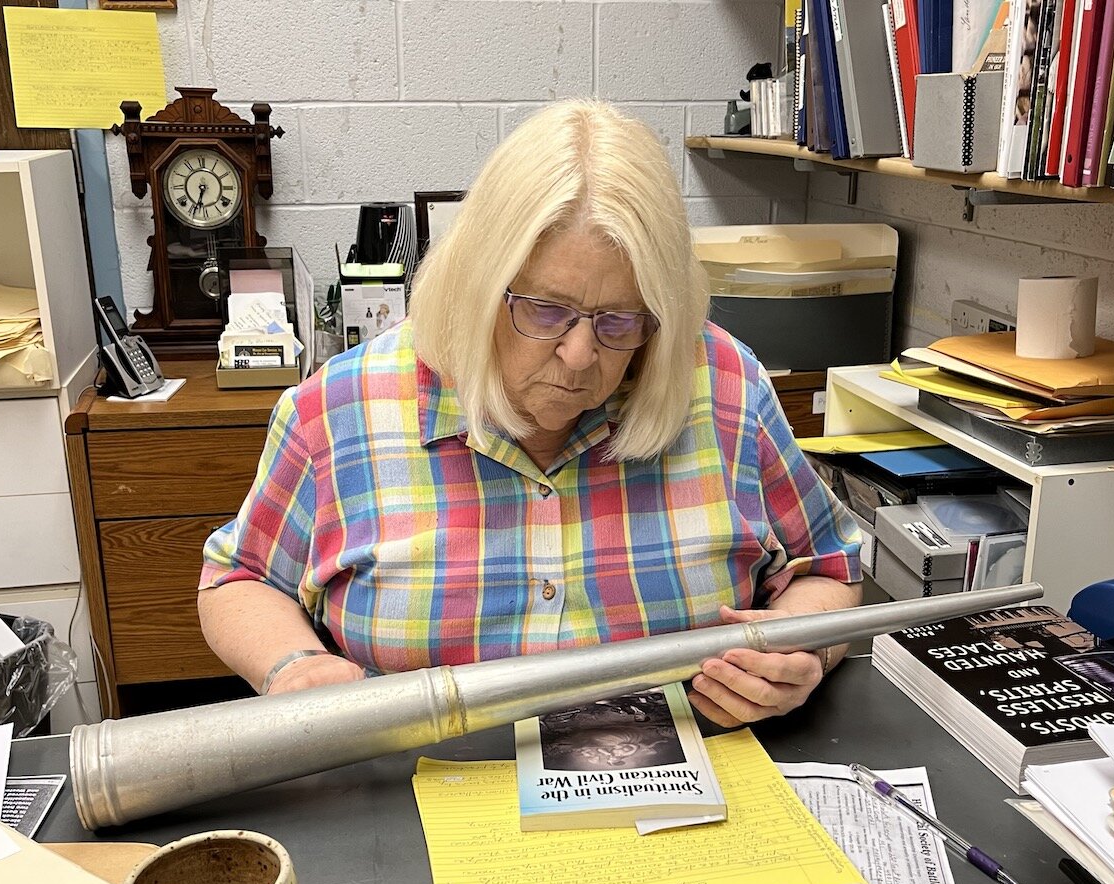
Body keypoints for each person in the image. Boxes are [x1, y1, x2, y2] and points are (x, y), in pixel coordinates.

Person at [199, 99, 862, 728]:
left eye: (619, 319)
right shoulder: (340, 408)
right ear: (478, 283)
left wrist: (799, 656)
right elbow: (239, 578)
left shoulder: (721, 385)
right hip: (420, 800)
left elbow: (827, 567)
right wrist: (295, 665)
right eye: (544, 309)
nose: (578, 356)